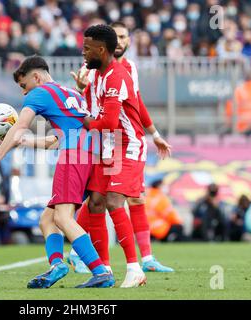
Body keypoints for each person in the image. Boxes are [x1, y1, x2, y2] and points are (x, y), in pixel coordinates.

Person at [0, 56, 115, 289]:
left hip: (74, 155)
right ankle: (57, 265)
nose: (24, 93)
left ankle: (100, 272)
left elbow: (20, 128)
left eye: (23, 86)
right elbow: (56, 138)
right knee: (47, 219)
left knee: (62, 218)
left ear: (36, 77)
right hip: (91, 153)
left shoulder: (39, 94)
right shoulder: (71, 93)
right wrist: (26, 142)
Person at [69, 22, 174, 275]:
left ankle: (138, 263)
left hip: (121, 142)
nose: (122, 40)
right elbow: (94, 107)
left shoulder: (124, 70)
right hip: (103, 141)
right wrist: (81, 93)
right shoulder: (92, 69)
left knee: (118, 199)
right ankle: (98, 263)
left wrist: (154, 133)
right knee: (96, 200)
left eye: (125, 35)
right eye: (118, 35)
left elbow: (131, 106)